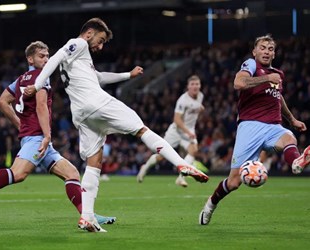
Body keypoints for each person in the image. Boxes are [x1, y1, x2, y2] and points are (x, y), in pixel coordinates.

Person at [24, 17, 209, 233]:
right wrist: (37, 85)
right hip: (96, 102)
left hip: (81, 113)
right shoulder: (79, 43)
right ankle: (181, 164)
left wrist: (127, 75)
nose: (100, 46)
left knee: (95, 160)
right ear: (90, 33)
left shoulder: (80, 59)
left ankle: (87, 217)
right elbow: (55, 58)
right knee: (141, 129)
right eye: (100, 40)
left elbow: (99, 77)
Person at [0, 41, 115, 227]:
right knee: (18, 173)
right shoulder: (41, 77)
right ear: (30, 58)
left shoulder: (21, 79)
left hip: (34, 136)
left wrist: (20, 125)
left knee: (71, 173)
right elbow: (40, 106)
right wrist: (46, 136)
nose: (46, 59)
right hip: (38, 138)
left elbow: (2, 101)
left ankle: (87, 216)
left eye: (48, 56)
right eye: (41, 56)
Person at [199, 34, 310, 225]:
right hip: (250, 126)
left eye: (270, 49)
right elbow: (239, 83)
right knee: (233, 182)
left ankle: (295, 163)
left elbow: (277, 97)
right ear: (255, 51)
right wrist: (267, 78)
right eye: (263, 48)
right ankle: (210, 204)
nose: (267, 51)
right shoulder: (251, 65)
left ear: (274, 53)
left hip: (274, 125)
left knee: (289, 138)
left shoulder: (278, 74)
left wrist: (291, 119)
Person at [137, 75, 206, 187]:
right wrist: (188, 132)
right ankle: (145, 167)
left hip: (189, 131)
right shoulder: (183, 100)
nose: (195, 86)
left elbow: (196, 108)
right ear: (188, 86)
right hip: (176, 131)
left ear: (200, 85)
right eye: (192, 84)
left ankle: (181, 178)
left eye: (197, 84)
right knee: (161, 156)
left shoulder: (200, 96)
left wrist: (200, 109)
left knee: (193, 151)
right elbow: (177, 119)